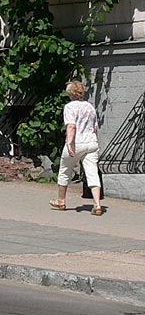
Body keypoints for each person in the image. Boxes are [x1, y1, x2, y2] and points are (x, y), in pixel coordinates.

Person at [50, 80, 104, 215]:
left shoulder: (69, 107)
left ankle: (61, 201)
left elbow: (71, 125)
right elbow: (95, 128)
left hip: (77, 143)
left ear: (70, 93)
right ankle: (97, 204)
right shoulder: (90, 107)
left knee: (64, 170)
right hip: (91, 143)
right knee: (92, 173)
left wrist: (69, 142)